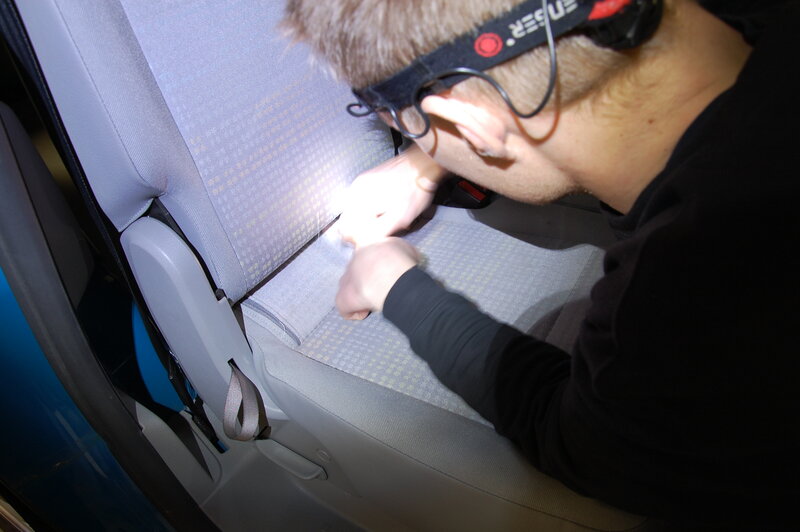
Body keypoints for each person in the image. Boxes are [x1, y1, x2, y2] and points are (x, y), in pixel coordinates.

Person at [283, 0, 800, 528]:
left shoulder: (691, 290)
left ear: (469, 125)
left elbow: (578, 438)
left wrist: (393, 283)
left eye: (411, 129)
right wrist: (430, 158)